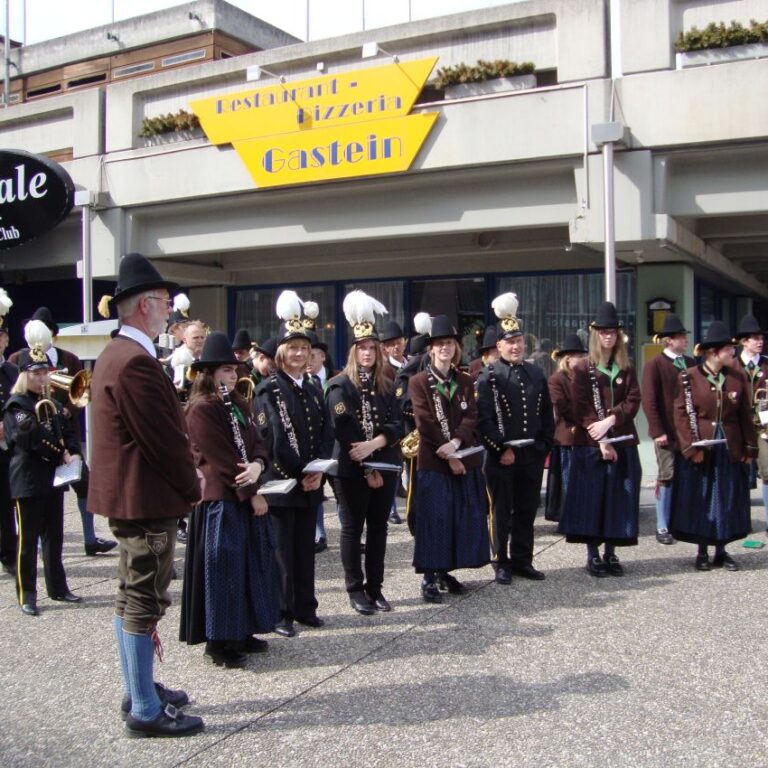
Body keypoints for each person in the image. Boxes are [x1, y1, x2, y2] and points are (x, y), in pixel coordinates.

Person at [88, 252, 204, 738]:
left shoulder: (119, 354)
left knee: (131, 596)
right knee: (143, 599)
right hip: (145, 499)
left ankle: (140, 688)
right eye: (163, 302)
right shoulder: (134, 361)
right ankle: (143, 706)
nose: (169, 311)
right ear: (143, 305)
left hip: (133, 496)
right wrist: (192, 485)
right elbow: (162, 440)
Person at [180, 332, 276, 668]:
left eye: (234, 370)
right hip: (222, 501)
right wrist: (252, 494)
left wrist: (258, 464)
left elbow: (257, 442)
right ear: (208, 373)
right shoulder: (201, 409)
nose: (233, 375)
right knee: (223, 571)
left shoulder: (236, 403)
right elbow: (221, 459)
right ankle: (219, 641)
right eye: (225, 370)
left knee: (248, 567)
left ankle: (243, 630)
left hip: (242, 495)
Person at [254, 290, 334, 638]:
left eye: (304, 348)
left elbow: (327, 431)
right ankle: (281, 612)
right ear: (281, 353)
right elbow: (274, 439)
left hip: (310, 483)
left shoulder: (314, 387)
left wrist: (318, 471)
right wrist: (303, 472)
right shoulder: (268, 389)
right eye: (293, 349)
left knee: (305, 550)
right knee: (283, 553)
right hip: (283, 484)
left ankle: (305, 607)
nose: (300, 354)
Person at [10, 306, 117, 557]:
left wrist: (67, 410)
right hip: (36, 439)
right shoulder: (18, 359)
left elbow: (83, 391)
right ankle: (34, 539)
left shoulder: (68, 358)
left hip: (65, 432)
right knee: (37, 492)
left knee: (83, 482)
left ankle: (90, 537)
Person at [326, 291, 403, 615]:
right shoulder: (339, 385)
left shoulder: (387, 383)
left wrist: (377, 445)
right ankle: (355, 589)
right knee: (352, 528)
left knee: (379, 529)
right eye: (362, 348)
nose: (368, 353)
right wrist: (367, 466)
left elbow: (398, 423)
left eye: (372, 347)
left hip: (384, 464)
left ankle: (376, 588)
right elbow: (344, 429)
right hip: (351, 470)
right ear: (353, 351)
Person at [408, 314, 489, 601]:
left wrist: (456, 443)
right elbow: (425, 420)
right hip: (434, 462)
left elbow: (471, 415)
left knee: (459, 518)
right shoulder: (419, 381)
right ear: (431, 349)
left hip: (464, 456)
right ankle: (429, 577)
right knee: (435, 520)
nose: (445, 348)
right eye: (440, 343)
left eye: (450, 343)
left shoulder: (465, 380)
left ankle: (445, 571)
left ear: (456, 348)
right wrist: (448, 451)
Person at [4, 321, 82, 616]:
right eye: (35, 373)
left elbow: (67, 431)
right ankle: (27, 594)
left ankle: (58, 588)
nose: (41, 378)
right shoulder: (16, 405)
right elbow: (31, 438)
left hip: (52, 479)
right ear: (24, 375)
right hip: (28, 481)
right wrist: (62, 452)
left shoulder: (51, 402)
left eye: (44, 372)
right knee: (27, 542)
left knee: (54, 538)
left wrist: (74, 452)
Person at [476, 293, 554, 584]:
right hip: (502, 458)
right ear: (499, 346)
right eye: (510, 342)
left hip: (531, 455)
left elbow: (546, 413)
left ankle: (523, 560)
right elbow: (483, 420)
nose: (516, 346)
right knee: (500, 511)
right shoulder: (489, 376)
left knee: (526, 510)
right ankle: (501, 561)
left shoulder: (535, 373)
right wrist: (500, 449)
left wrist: (544, 445)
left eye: (519, 341)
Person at [559, 301, 641, 577]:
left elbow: (633, 399)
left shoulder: (626, 367)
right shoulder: (583, 368)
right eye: (604, 332)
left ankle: (611, 552)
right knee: (592, 500)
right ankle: (593, 554)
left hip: (623, 440)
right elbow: (580, 406)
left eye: (613, 332)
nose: (608, 336)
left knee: (618, 499)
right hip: (592, 445)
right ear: (596, 334)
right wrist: (602, 438)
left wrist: (611, 419)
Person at [672, 320, 756, 571]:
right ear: (714, 352)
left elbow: (745, 415)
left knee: (726, 497)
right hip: (703, 445)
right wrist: (691, 448)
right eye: (729, 349)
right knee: (702, 498)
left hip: (729, 446)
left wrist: (749, 448)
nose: (733, 353)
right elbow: (681, 415)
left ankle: (722, 549)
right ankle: (702, 551)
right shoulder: (689, 377)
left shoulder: (737, 377)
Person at [641, 314, 694, 544]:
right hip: (667, 431)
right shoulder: (655, 365)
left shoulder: (690, 363)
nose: (685, 340)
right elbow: (649, 401)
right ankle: (662, 524)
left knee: (686, 474)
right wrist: (657, 431)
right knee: (666, 475)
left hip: (688, 432)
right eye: (681, 337)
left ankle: (680, 521)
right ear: (669, 340)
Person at [545, 333, 588, 523]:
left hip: (585, 435)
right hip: (567, 435)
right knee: (568, 478)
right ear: (568, 358)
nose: (582, 360)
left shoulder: (585, 377)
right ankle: (569, 516)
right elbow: (562, 406)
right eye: (579, 356)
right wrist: (585, 419)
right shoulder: (557, 379)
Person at [732, 314, 768, 531]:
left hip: (764, 427)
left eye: (761, 338)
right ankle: (741, 519)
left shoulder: (766, 364)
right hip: (739, 427)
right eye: (755, 338)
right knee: (739, 472)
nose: (760, 341)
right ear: (744, 341)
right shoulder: (732, 366)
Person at [0, 289, 19, 575]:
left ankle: (9, 555)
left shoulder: (12, 371)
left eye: (1, 335)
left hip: (8, 446)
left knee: (7, 504)